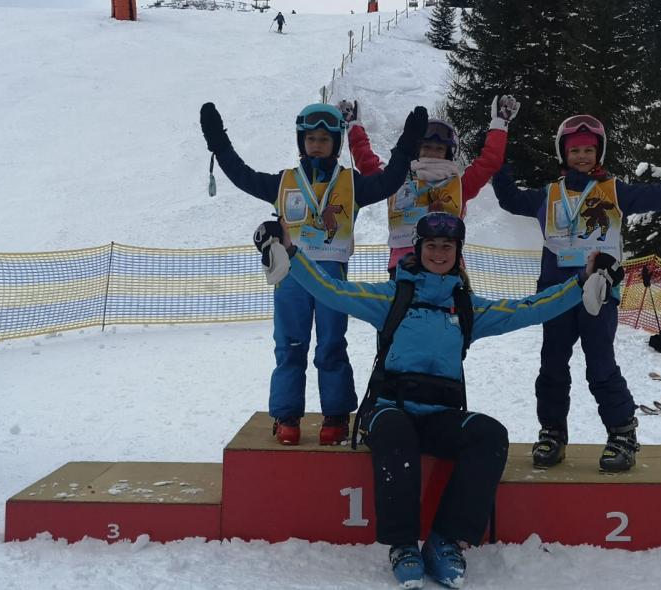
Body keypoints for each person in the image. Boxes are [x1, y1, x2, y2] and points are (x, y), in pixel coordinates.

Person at [253, 211, 622, 589]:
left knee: (490, 435)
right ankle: (402, 545)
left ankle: (445, 540)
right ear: (418, 249)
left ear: (458, 252)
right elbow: (333, 291)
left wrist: (583, 281)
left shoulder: (467, 308)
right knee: (396, 431)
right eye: (431, 245)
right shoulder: (392, 297)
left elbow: (529, 309)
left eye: (447, 246)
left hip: (439, 415)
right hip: (389, 410)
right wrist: (290, 251)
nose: (439, 252)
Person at [492, 115, 661, 472]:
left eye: (588, 150)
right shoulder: (547, 195)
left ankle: (622, 433)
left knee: (601, 365)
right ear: (563, 154)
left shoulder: (615, 191)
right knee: (551, 366)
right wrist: (496, 156)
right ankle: (552, 432)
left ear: (599, 152)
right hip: (556, 295)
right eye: (575, 150)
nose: (582, 156)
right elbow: (508, 198)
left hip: (599, 291)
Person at [200, 101, 426, 446]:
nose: (316, 145)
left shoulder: (351, 183)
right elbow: (242, 175)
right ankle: (287, 416)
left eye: (324, 139)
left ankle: (335, 416)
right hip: (291, 277)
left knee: (332, 345)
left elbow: (389, 181)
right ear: (301, 141)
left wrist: (408, 143)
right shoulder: (284, 182)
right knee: (290, 345)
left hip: (331, 279)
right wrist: (219, 142)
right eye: (310, 139)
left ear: (335, 143)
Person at [338, 96, 520, 278]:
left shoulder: (459, 185)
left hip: (448, 269)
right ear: (417, 150)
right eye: (427, 147)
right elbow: (365, 159)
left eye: (439, 149)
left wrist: (500, 123)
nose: (432, 153)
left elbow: (489, 162)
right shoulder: (396, 178)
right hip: (405, 269)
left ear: (447, 153)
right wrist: (354, 126)